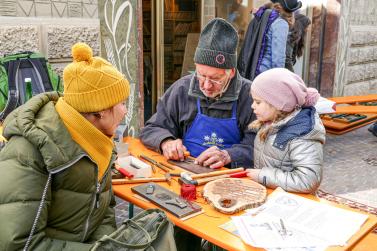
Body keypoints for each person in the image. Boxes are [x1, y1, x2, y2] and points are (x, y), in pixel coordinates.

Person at [0, 43, 131, 250]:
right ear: (101, 111)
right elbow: (19, 244)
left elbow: (104, 211)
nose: (125, 111)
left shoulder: (99, 142)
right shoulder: (30, 152)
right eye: (122, 103)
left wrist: (106, 245)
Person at [140, 18, 256, 170]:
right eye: (201, 75)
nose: (206, 85)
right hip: (185, 170)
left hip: (230, 177)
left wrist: (230, 155)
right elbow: (152, 128)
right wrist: (165, 141)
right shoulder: (182, 89)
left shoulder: (252, 96)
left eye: (215, 79)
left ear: (231, 72)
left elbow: (260, 147)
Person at [247, 68, 325, 194]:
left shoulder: (301, 134)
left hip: (292, 201)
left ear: (278, 103)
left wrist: (263, 176)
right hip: (272, 194)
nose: (252, 106)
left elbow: (308, 180)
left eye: (257, 102)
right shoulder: (270, 122)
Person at [238, 0, 301, 80]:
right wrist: (280, 81)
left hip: (255, 71)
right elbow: (278, 60)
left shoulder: (264, 15)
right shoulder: (281, 23)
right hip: (268, 75)